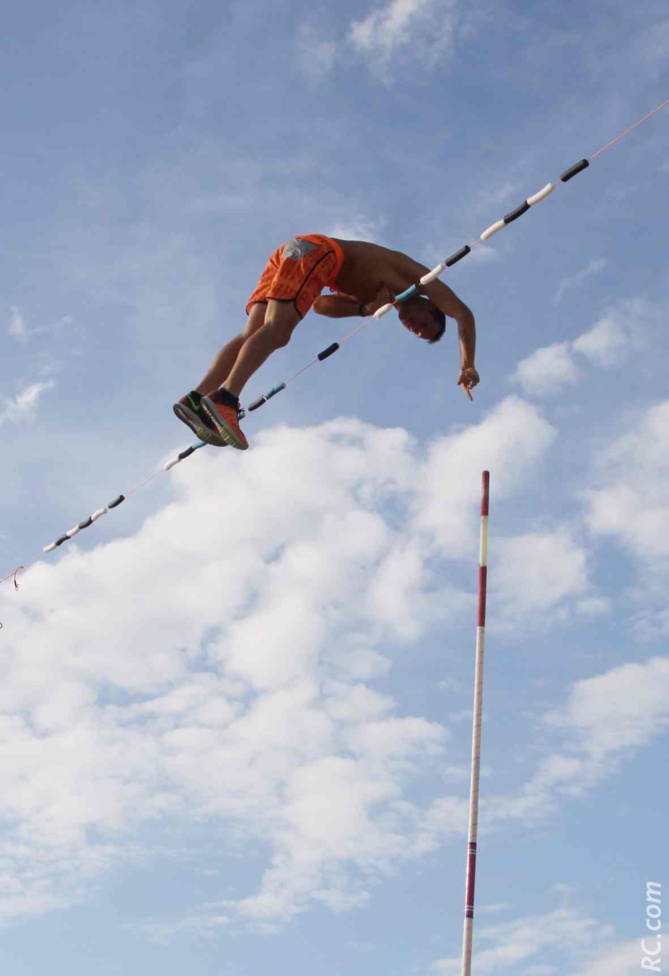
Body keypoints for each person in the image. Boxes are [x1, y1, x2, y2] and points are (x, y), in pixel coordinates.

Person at [173, 233, 479, 449]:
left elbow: (320, 304)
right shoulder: (419, 281)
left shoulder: (378, 296)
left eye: (415, 332)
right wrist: (467, 365)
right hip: (318, 252)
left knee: (252, 333)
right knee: (278, 331)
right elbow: (463, 314)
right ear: (430, 306)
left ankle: (196, 399)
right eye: (423, 323)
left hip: (299, 253)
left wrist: (365, 309)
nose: (414, 326)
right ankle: (226, 399)